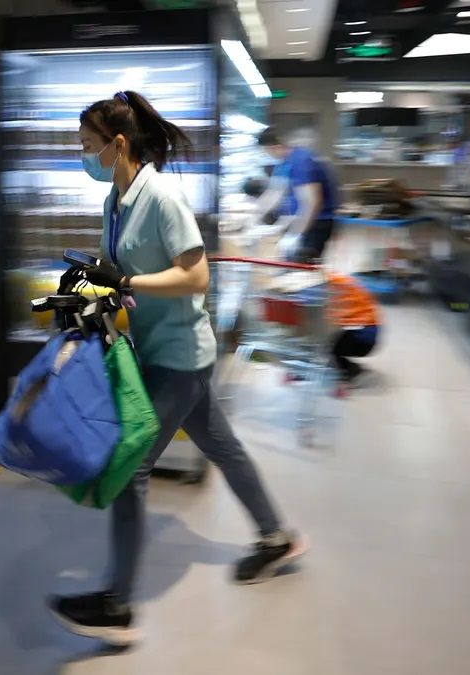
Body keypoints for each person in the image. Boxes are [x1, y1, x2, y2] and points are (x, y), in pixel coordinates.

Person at [48, 91, 306, 648]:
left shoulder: (162, 196)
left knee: (131, 468)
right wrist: (87, 288)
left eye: (88, 147)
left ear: (118, 145)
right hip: (154, 349)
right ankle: (277, 537)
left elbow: (196, 277)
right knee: (221, 445)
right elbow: (114, 271)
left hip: (181, 355)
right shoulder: (114, 202)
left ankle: (118, 605)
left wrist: (126, 284)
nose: (83, 157)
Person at [255, 129, 339, 263]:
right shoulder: (283, 163)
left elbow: (312, 202)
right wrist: (254, 216)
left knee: (303, 269)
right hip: (300, 220)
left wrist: (296, 234)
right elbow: (274, 193)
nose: (267, 155)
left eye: (266, 151)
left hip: (316, 223)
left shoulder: (301, 161)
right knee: (290, 265)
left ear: (273, 147)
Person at [328, 272, 380, 385]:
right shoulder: (343, 281)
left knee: (330, 348)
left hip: (363, 339)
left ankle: (352, 371)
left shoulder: (334, 287)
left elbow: (334, 315)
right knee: (332, 343)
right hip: (369, 335)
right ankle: (351, 368)